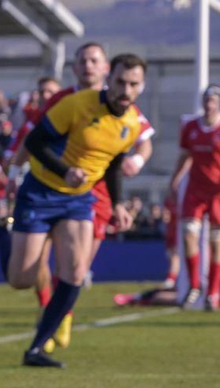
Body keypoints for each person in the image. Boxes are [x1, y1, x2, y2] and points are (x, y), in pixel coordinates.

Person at [8, 53, 150, 368]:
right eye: (120, 82)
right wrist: (65, 171)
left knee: (74, 273)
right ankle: (2, 235)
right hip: (41, 192)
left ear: (142, 86)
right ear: (109, 78)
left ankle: (36, 349)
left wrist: (116, 205)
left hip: (79, 200)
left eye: (133, 84)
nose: (125, 90)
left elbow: (112, 165)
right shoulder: (78, 103)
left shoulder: (131, 122)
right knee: (22, 279)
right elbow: (35, 142)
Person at [164, 85, 220, 309]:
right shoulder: (191, 127)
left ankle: (213, 292)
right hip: (196, 190)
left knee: (216, 243)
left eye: (213, 100)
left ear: (219, 103)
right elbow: (185, 157)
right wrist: (174, 181)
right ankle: (194, 285)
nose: (209, 104)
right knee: (189, 234)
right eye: (206, 100)